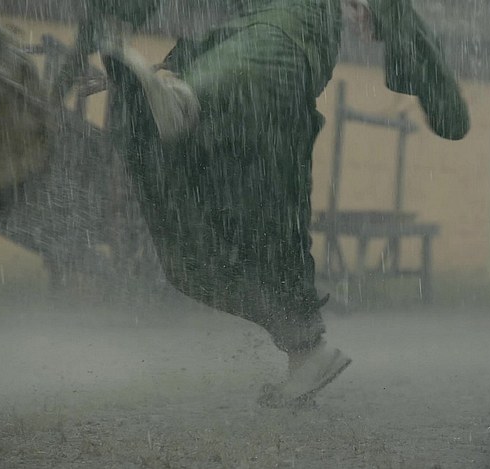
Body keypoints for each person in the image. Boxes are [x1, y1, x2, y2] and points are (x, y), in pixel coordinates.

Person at [87, 0, 469, 407]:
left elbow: (258, 47)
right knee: (234, 245)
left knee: (256, 67)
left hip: (267, 62)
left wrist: (114, 34)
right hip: (255, 100)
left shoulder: (288, 27)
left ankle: (188, 100)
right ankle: (307, 353)